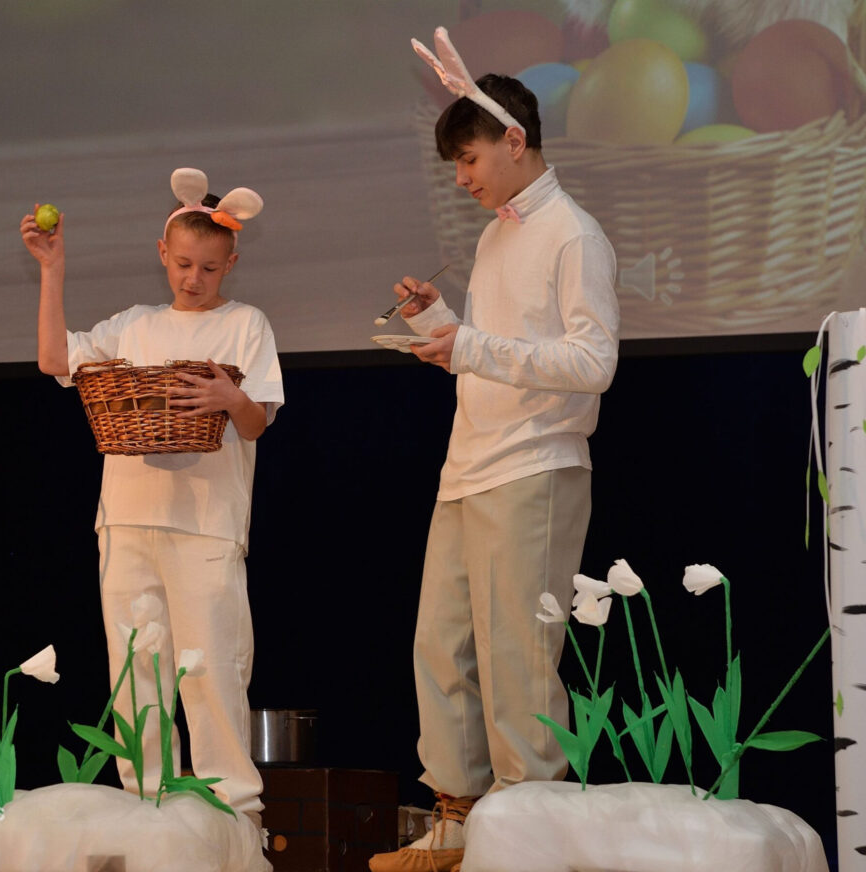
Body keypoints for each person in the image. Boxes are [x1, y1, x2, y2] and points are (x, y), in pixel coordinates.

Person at [370, 30, 619, 872]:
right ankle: (458, 822)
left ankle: (529, 835)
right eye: (455, 166)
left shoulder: (574, 234)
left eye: (470, 159)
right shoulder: (493, 236)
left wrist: (470, 344)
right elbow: (492, 349)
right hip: (469, 466)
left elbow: (593, 363)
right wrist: (437, 323)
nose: (462, 179)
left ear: (515, 140)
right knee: (441, 649)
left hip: (536, 465)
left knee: (518, 656)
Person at [19, 167, 284, 825]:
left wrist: (230, 397)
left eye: (209, 268)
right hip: (128, 519)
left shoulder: (245, 324)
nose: (194, 279)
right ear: (163, 253)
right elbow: (55, 359)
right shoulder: (134, 326)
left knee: (211, 667)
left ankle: (234, 808)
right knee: (136, 672)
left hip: (206, 523)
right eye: (184, 264)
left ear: (231, 264)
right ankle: (150, 803)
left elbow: (257, 423)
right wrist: (52, 269)